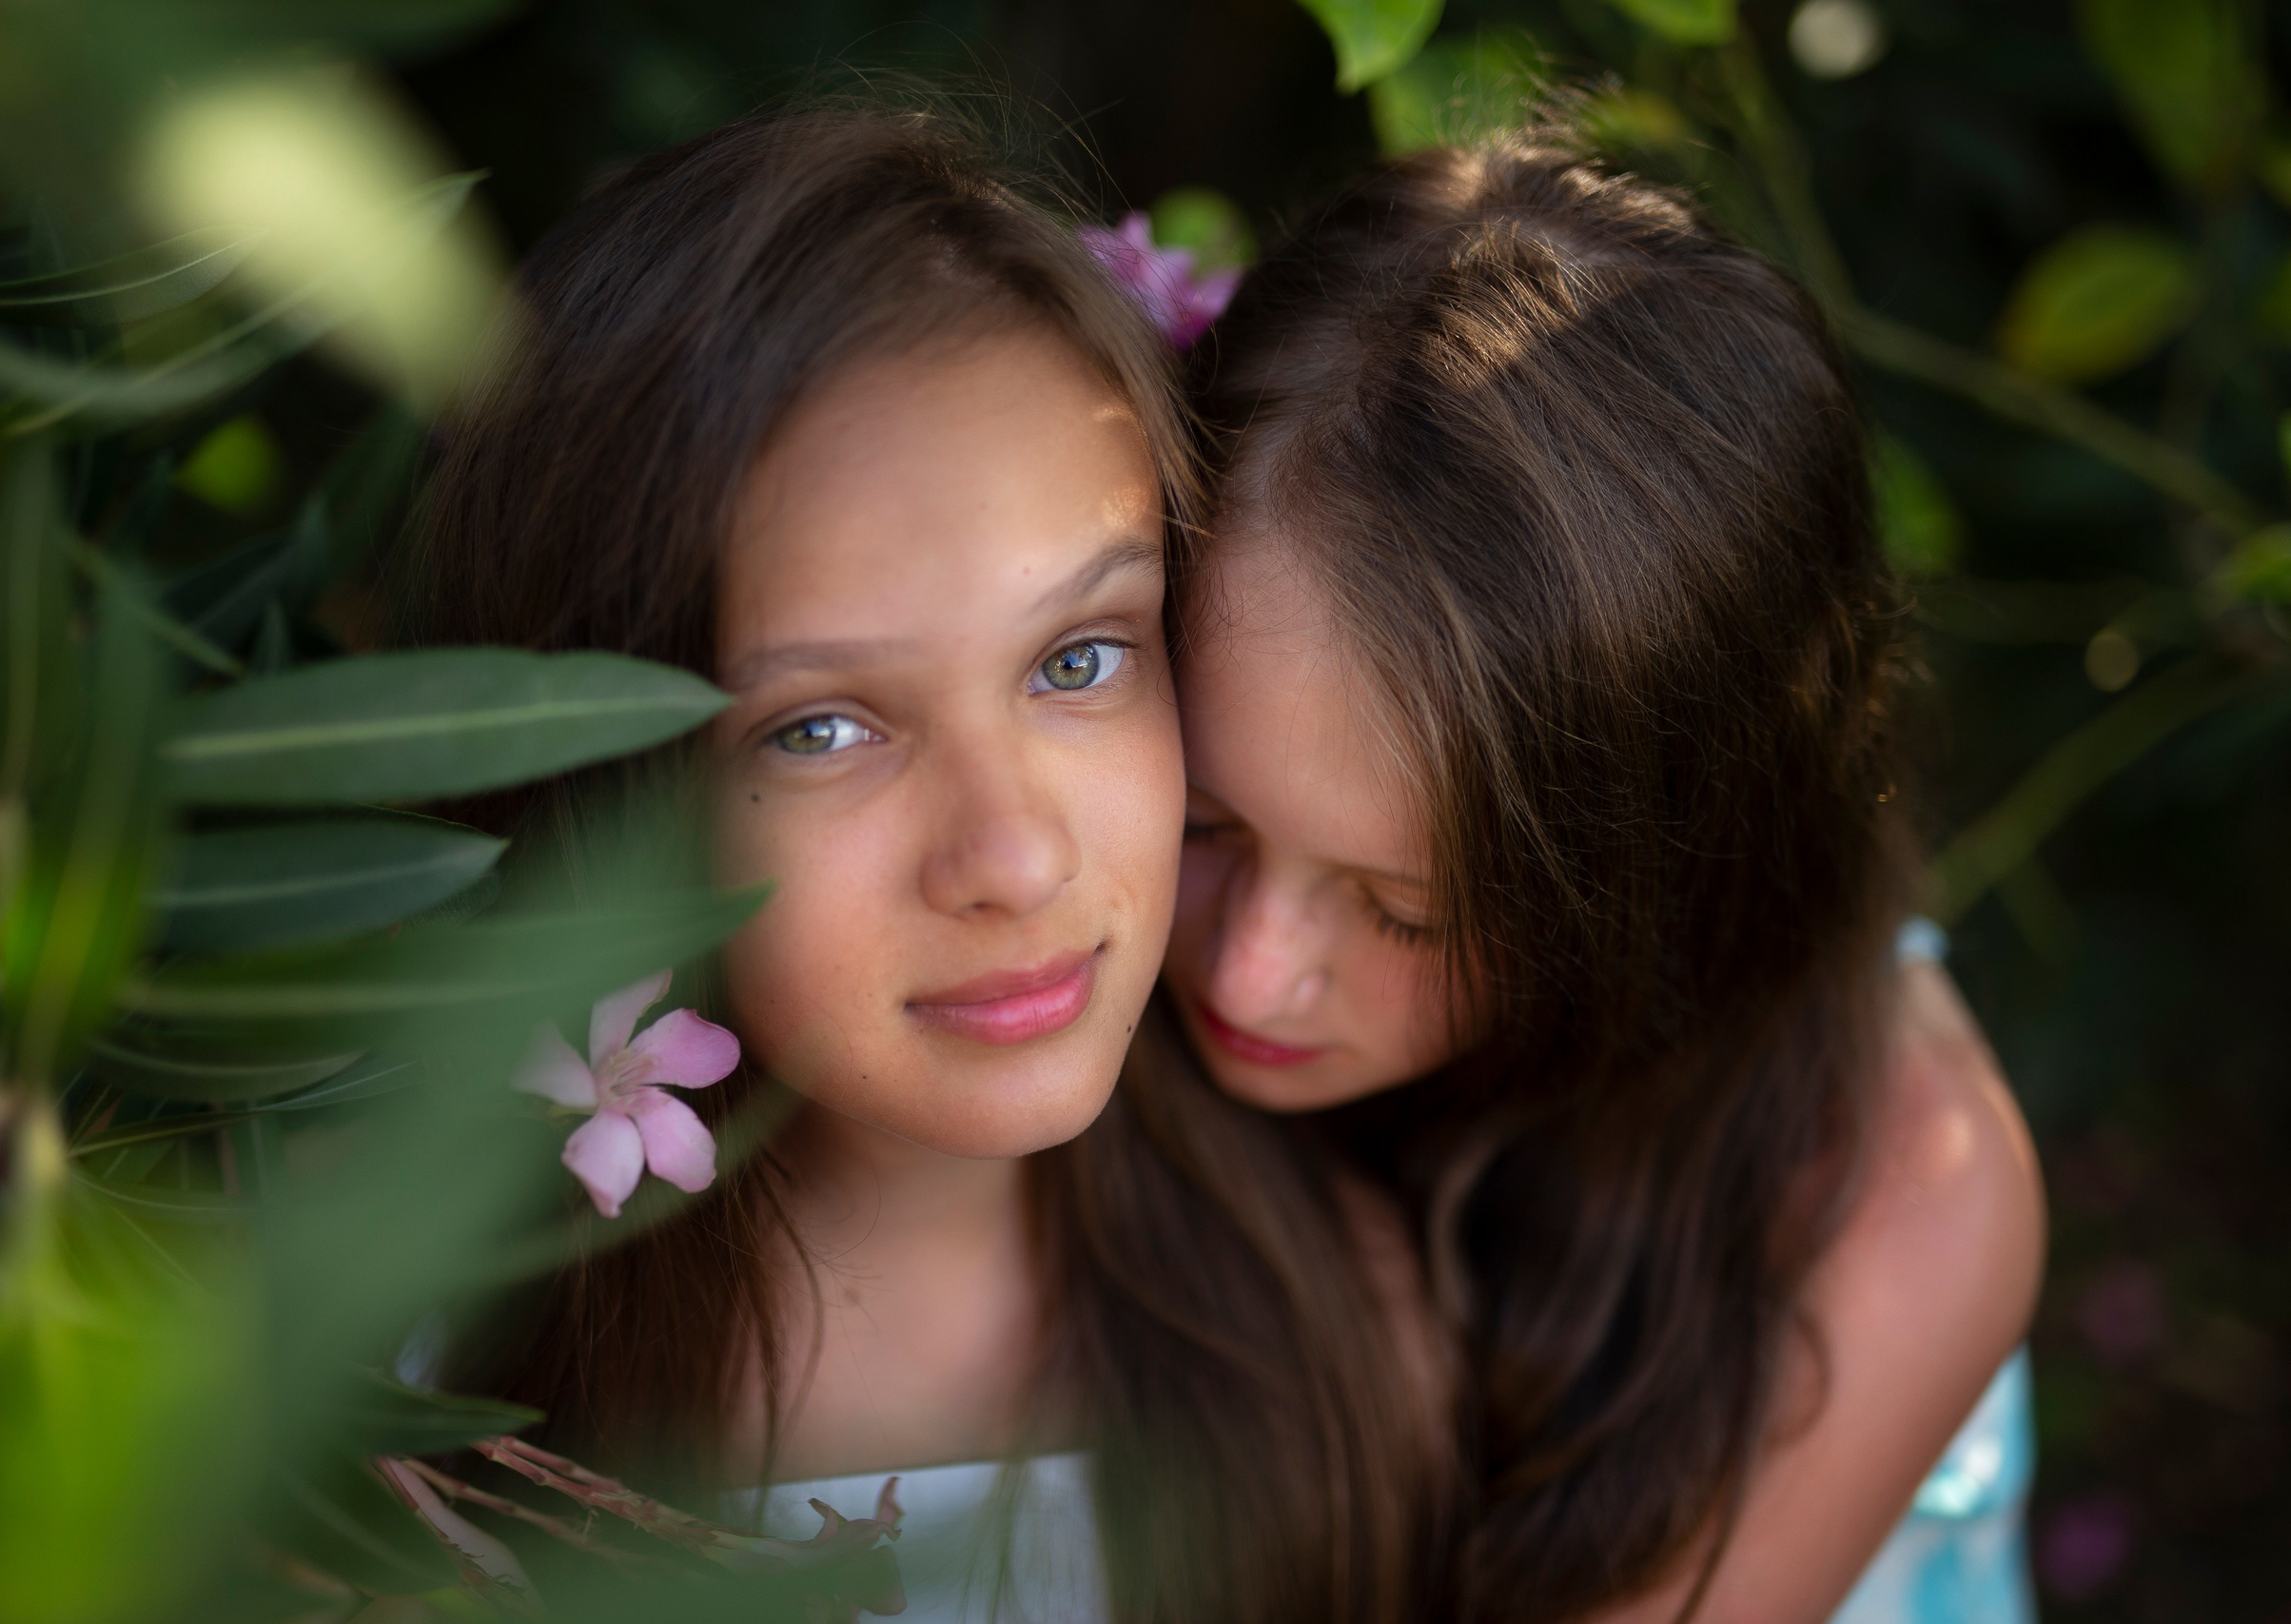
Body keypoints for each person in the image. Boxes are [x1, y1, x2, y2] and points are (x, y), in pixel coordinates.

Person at [409, 106, 1422, 1623]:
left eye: (1080, 657)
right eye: (820, 731)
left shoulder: (1348, 1310)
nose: (1011, 859)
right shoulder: (400, 1392)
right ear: (600, 784)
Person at [1168, 138, 2046, 1623]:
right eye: (1200, 821)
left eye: (1410, 912)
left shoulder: (1902, 1193)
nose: (1251, 970)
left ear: (1661, 876)